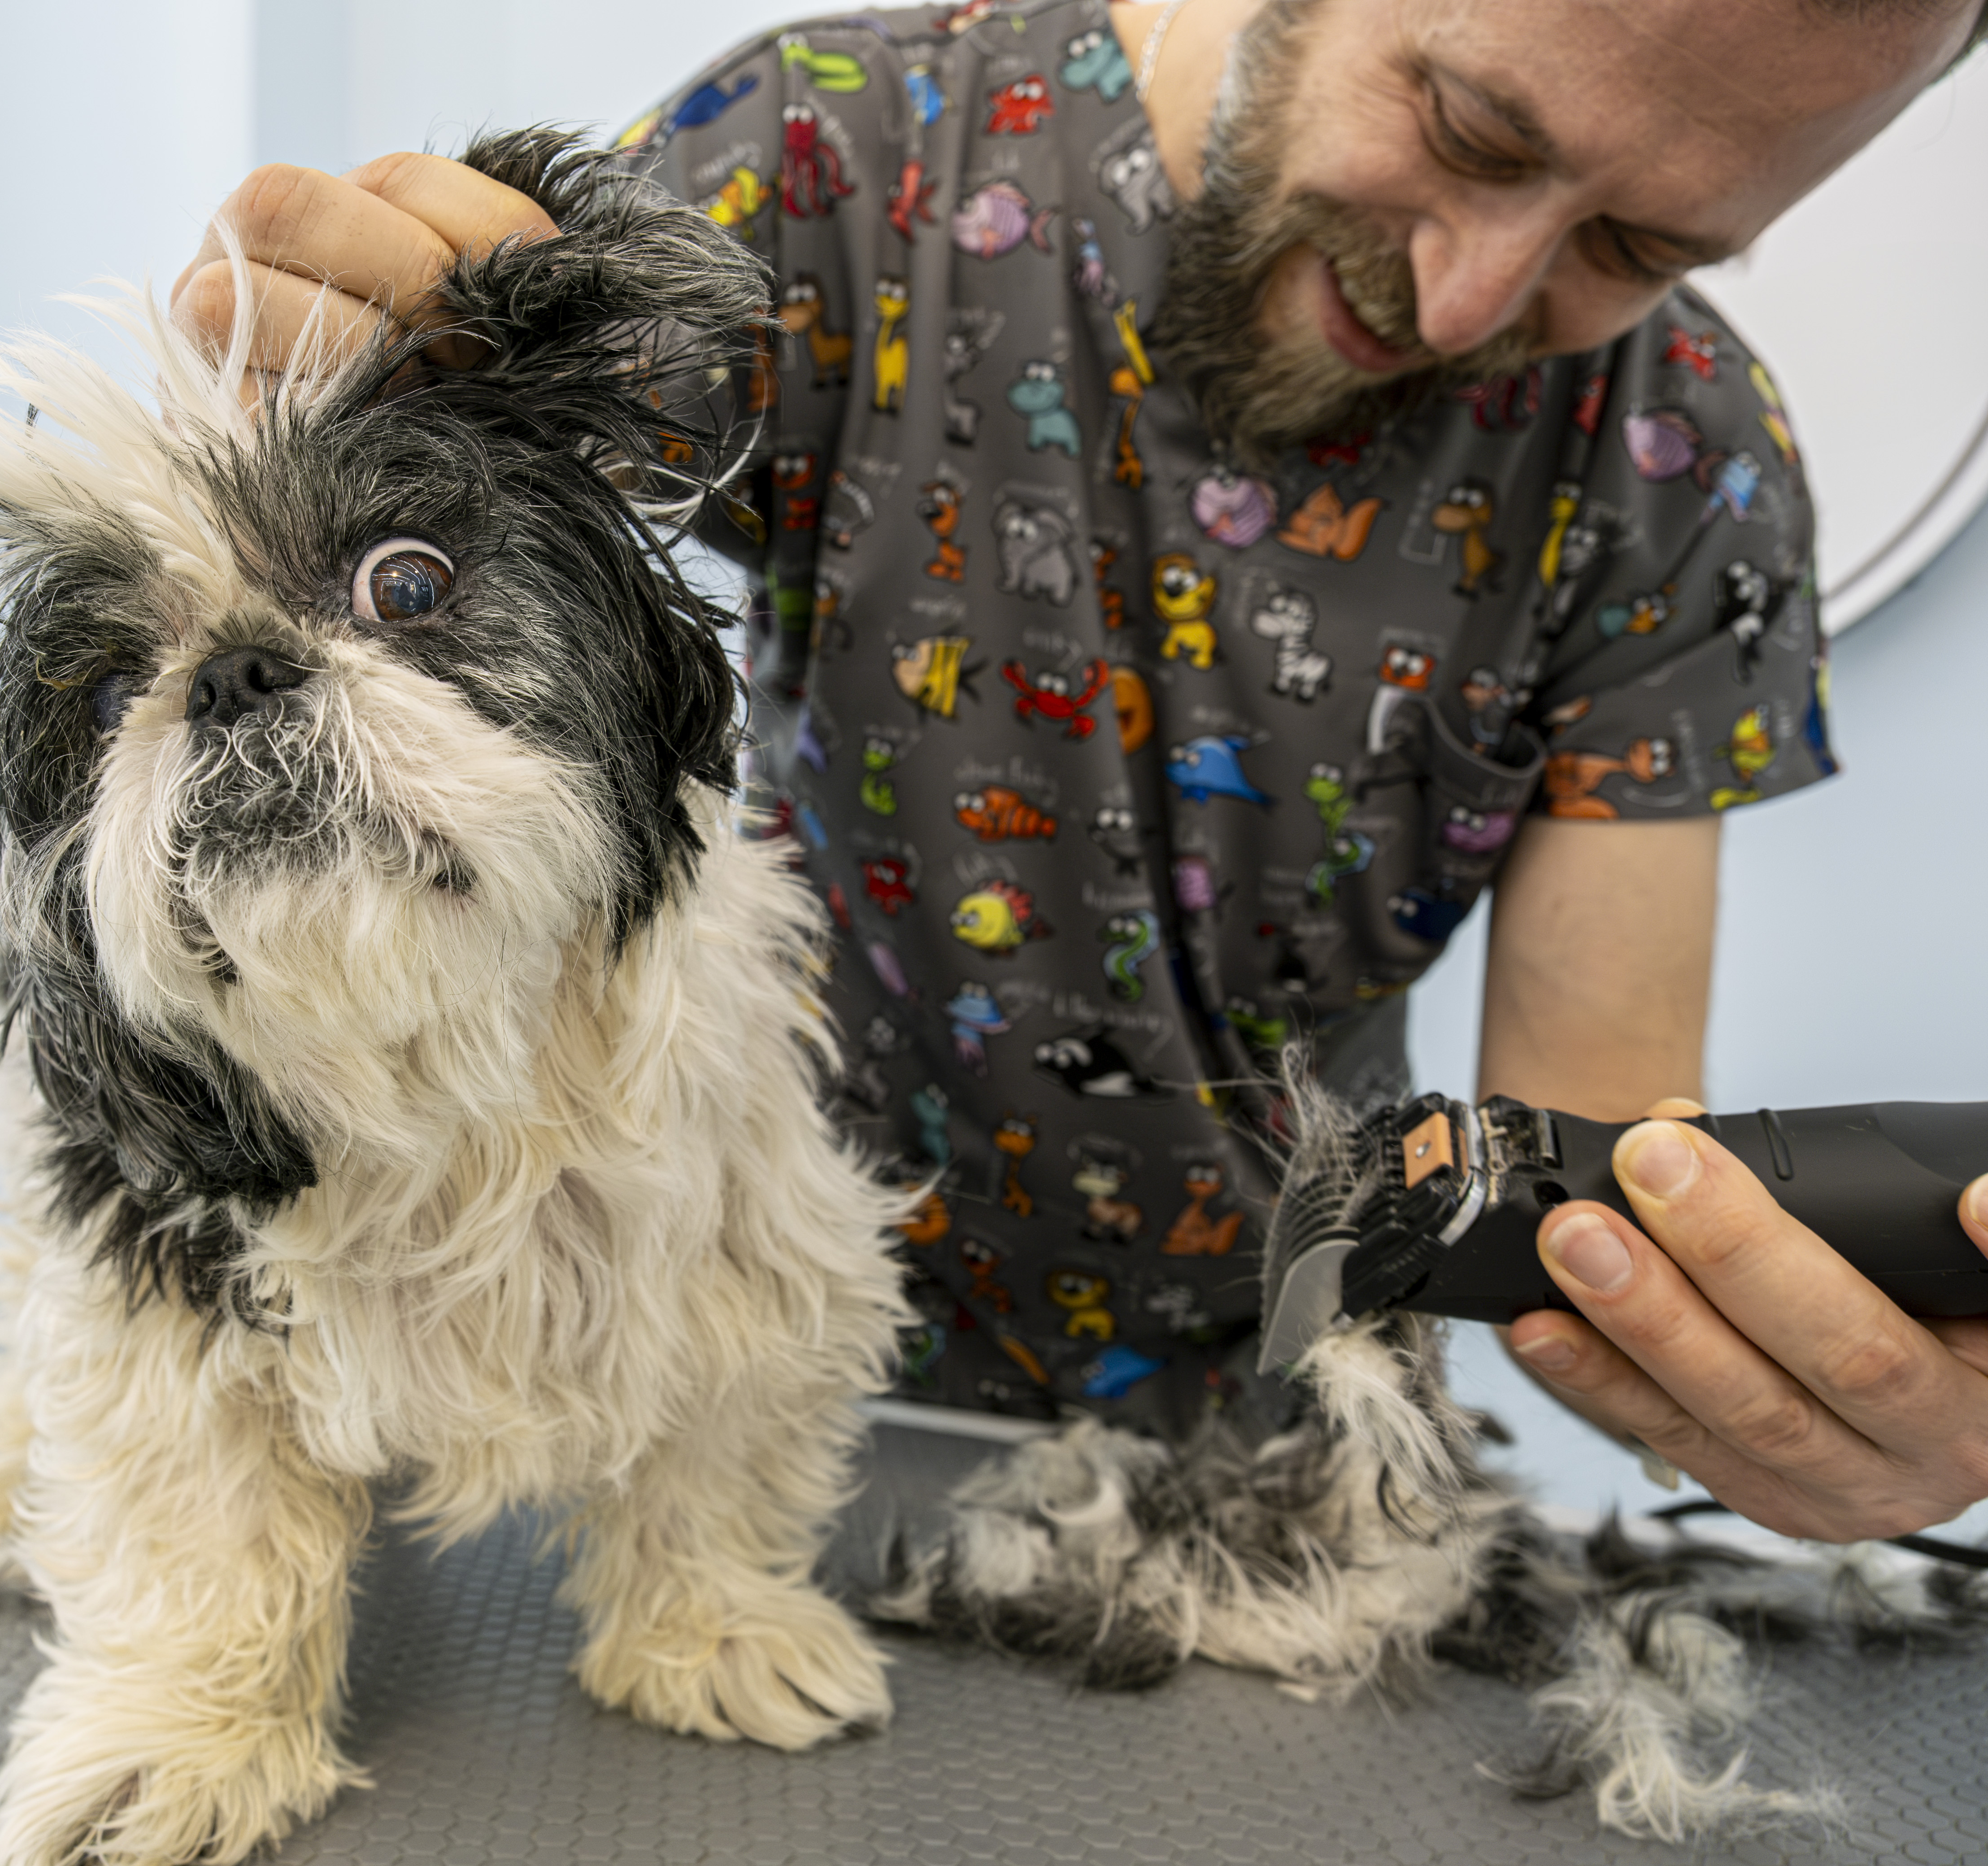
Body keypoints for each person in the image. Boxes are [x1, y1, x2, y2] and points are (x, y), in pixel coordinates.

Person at [170, 0, 1988, 1546]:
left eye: (1637, 250)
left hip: (1283, 1481)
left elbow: (1574, 1179)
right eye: (1462, 123)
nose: (1466, 297)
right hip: (745, 1417)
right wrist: (361, 399)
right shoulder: (831, 171)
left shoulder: (1681, 459)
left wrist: (1816, 1403)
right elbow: (445, 501)